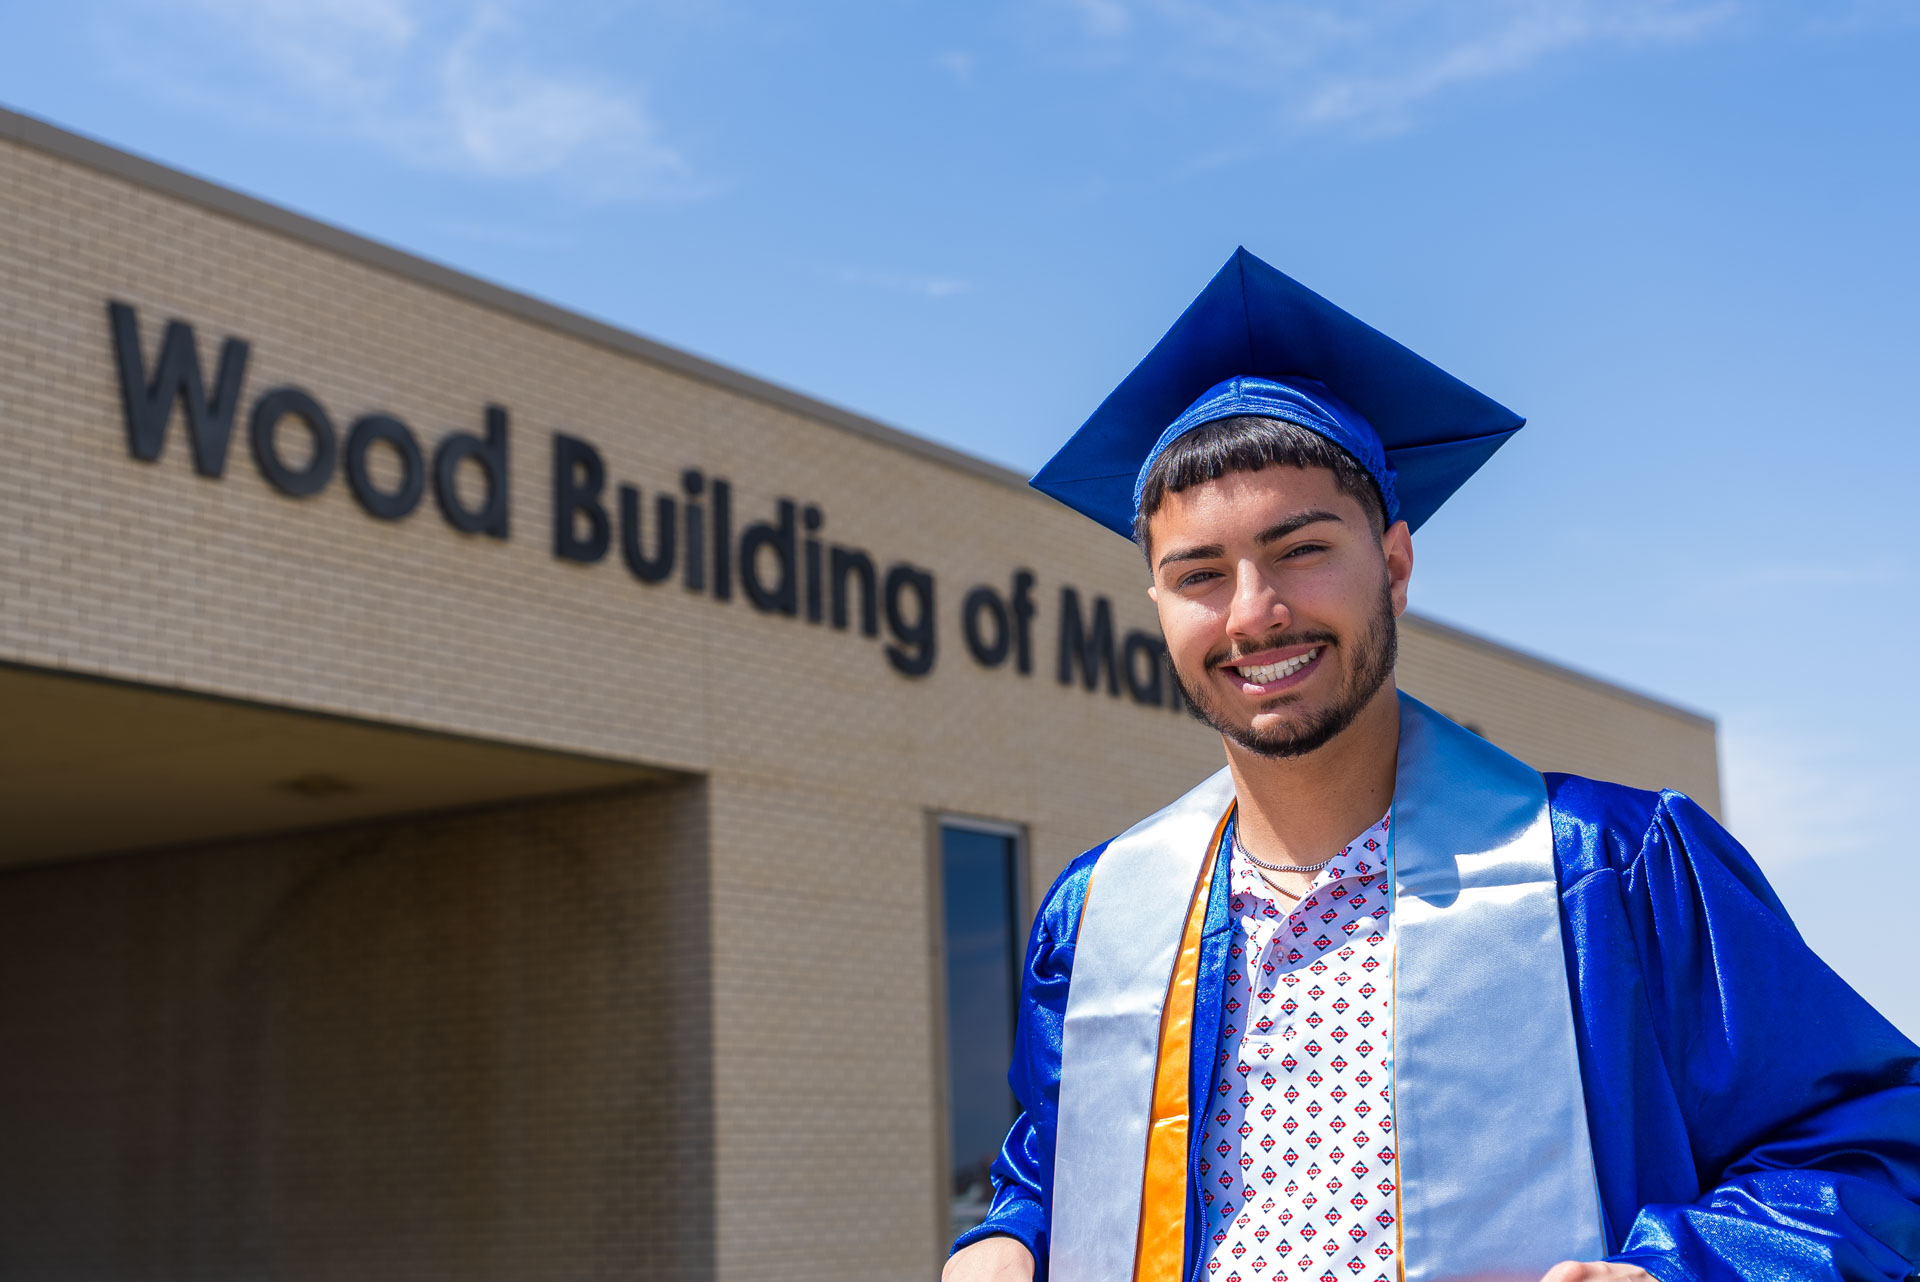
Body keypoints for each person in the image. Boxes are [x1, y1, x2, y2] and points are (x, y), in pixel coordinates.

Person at [943, 248, 1920, 1282]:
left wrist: (1673, 1271)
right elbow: (1053, 1176)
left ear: (1397, 565)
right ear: (1158, 607)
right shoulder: (1103, 915)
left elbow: (1873, 1151)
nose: (1252, 611)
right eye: (1198, 574)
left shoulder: (1611, 874)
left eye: (1300, 548)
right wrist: (1003, 1245)